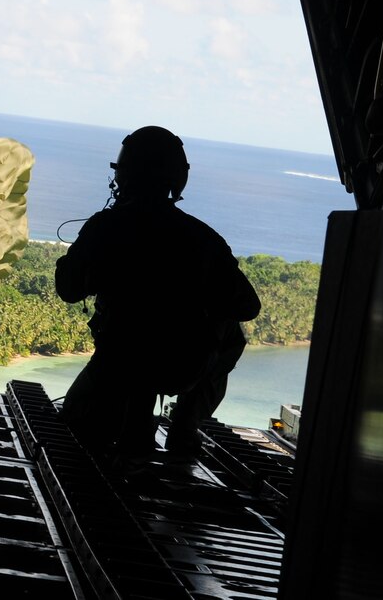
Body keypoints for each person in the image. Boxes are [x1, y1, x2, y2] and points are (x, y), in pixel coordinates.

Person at [55, 126, 261, 462]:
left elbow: (69, 289)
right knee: (229, 329)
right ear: (177, 180)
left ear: (122, 176)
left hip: (115, 365)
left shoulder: (106, 227)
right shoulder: (202, 238)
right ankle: (187, 421)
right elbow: (247, 306)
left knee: (74, 441)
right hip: (179, 366)